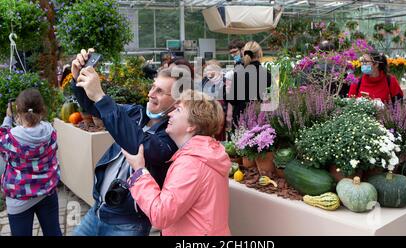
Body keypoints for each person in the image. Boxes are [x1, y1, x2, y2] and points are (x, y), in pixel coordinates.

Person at [70, 49, 192, 236]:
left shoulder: (172, 135)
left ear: (177, 101)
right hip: (97, 211)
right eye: (153, 87)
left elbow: (137, 142)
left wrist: (102, 97)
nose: (151, 94)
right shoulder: (136, 113)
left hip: (127, 224)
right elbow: (95, 109)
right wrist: (78, 80)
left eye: (160, 91)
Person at [122, 90, 231, 236]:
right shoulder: (206, 155)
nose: (170, 114)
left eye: (178, 110)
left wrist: (139, 172)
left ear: (191, 126)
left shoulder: (191, 163)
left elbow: (160, 215)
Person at [0, 89, 61, 236]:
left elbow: (3, 137)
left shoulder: (9, 139)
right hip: (47, 191)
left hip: (19, 199)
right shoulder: (50, 132)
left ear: (18, 113)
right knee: (53, 232)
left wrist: (8, 119)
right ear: (42, 111)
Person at [227, 41, 272, 127]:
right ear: (259, 53)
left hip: (240, 116)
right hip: (260, 117)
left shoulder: (239, 72)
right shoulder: (266, 74)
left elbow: (233, 99)